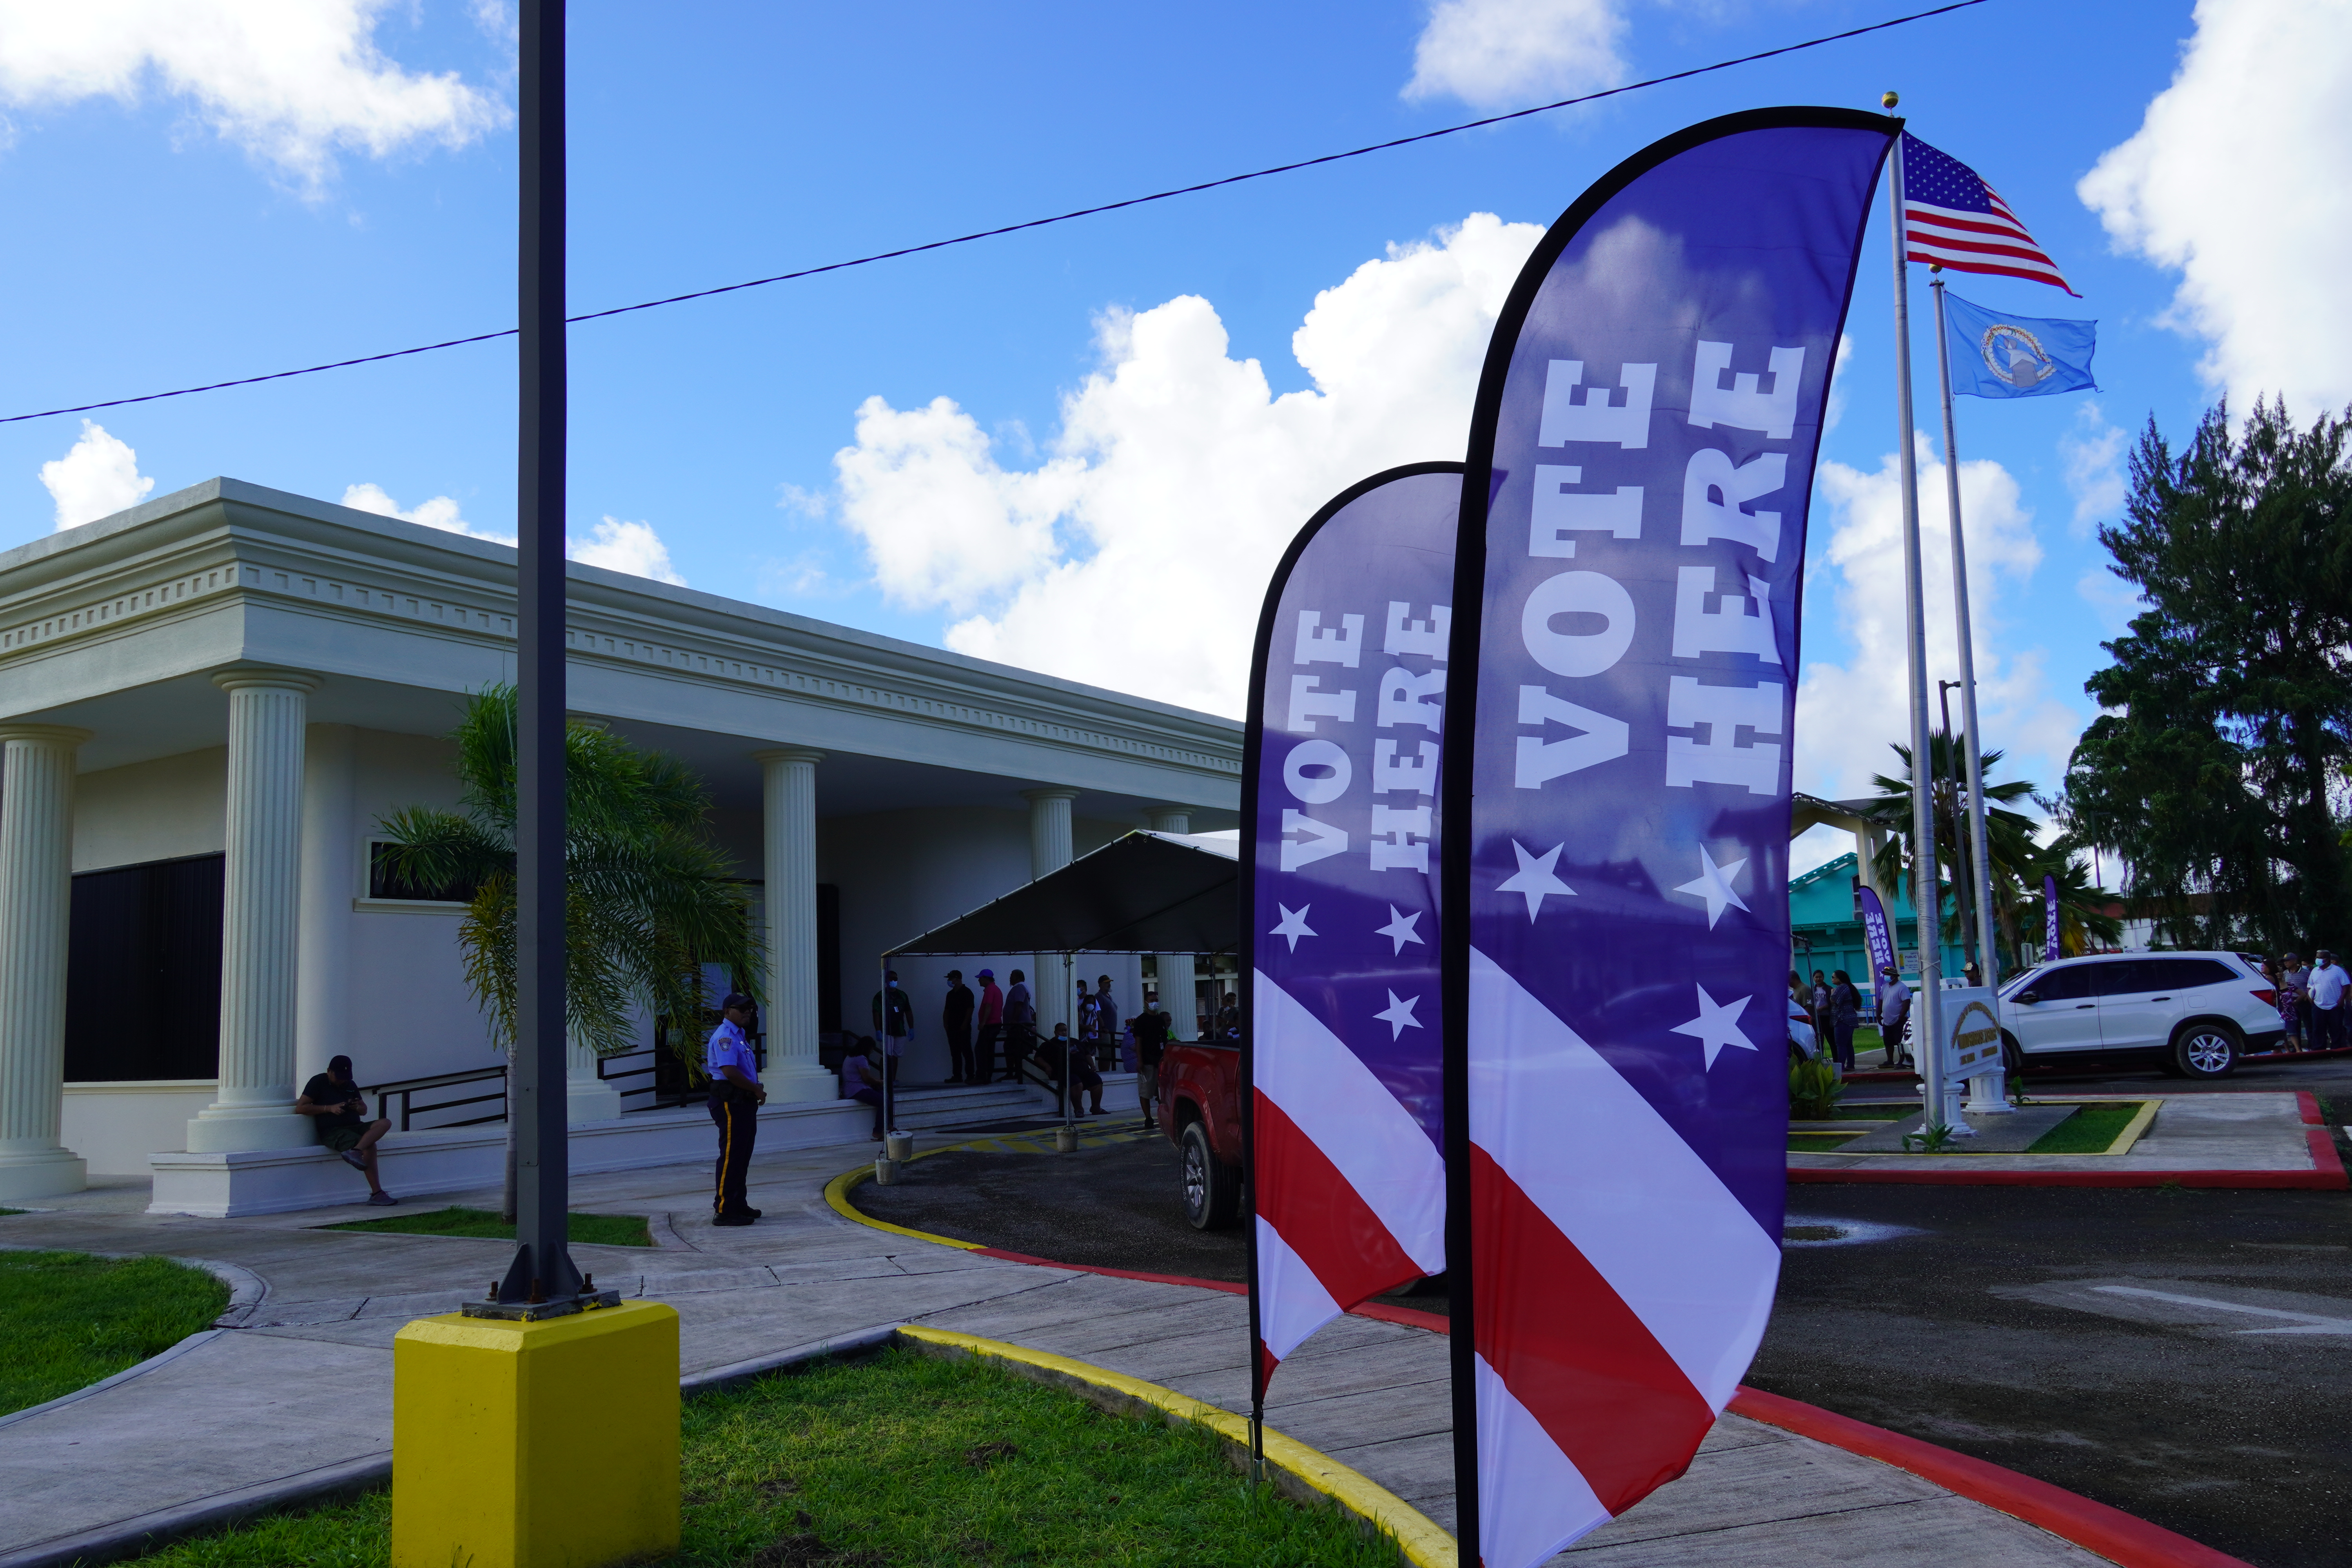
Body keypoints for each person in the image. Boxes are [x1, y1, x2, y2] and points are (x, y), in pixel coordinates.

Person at [297, 1055, 397, 1205]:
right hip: (333, 1131)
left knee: (385, 1123)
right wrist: (329, 1109)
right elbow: (301, 1107)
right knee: (370, 1147)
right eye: (338, 1077)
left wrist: (356, 1106)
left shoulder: (350, 1085)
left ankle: (355, 1151)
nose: (342, 1081)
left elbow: (364, 1110)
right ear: (329, 1071)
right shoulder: (318, 1082)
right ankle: (377, 1193)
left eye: (345, 1078)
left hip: (355, 1126)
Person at [706, 992, 766, 1226]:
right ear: (727, 1012)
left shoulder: (739, 1036)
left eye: (750, 1008)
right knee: (732, 1156)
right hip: (731, 1101)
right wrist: (756, 1089)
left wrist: (754, 1090)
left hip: (743, 1100)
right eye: (742, 1008)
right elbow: (730, 1072)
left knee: (742, 1155)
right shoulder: (726, 1037)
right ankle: (724, 1210)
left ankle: (738, 1203)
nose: (748, 1012)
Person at [869, 970, 909, 1125]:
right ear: (885, 980)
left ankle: (893, 1078)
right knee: (886, 1055)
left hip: (900, 1030)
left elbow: (908, 1011)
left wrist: (912, 1027)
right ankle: (884, 1078)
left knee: (896, 1055)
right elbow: (876, 1014)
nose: (894, 981)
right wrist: (878, 1030)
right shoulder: (879, 996)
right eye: (891, 979)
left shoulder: (902, 995)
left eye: (896, 979)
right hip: (886, 1030)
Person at [1047, 1021, 1105, 1116]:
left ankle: (1096, 1108)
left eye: (1066, 1030)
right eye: (1062, 1031)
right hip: (1067, 1072)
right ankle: (1079, 1110)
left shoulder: (1076, 1042)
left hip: (1084, 1071)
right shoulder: (1050, 1044)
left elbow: (1087, 1054)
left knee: (1097, 1081)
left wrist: (1093, 1065)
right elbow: (1038, 1057)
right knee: (1077, 1083)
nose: (1064, 1033)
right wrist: (1047, 1067)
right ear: (1056, 1032)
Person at [1133, 1001, 1170, 1131]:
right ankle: (1148, 1118)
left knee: (1162, 1092)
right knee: (1146, 1091)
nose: (1155, 1003)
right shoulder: (1141, 1021)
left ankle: (1166, 1116)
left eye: (1157, 999)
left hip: (1160, 1061)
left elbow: (1164, 1040)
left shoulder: (1160, 1020)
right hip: (1148, 1061)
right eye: (1152, 1000)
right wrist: (1140, 1061)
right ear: (1147, 1003)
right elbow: (1138, 1042)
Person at [842, 1038, 886, 1140]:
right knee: (884, 1102)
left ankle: (888, 1125)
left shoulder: (849, 1057)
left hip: (849, 1089)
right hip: (858, 1089)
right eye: (872, 1050)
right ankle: (878, 1132)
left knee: (884, 1096)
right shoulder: (861, 1059)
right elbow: (866, 1079)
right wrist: (879, 1081)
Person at [2306, 950, 2347, 1053]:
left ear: (2327, 959)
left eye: (2320, 958)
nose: (2318, 960)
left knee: (2336, 1029)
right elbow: (2310, 985)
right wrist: (2310, 997)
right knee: (2318, 1029)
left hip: (2335, 1005)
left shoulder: (2338, 971)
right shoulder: (2315, 971)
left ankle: (2337, 1049)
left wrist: (2341, 1000)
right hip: (2318, 1004)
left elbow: (2346, 986)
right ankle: (2319, 1049)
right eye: (2317, 957)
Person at [942, 970, 976, 1083]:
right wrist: (946, 1024)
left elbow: (970, 1009)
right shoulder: (950, 994)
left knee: (966, 1051)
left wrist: (965, 1024)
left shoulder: (967, 993)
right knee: (955, 1052)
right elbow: (947, 1010)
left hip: (963, 1027)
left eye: (951, 979)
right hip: (952, 1027)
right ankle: (957, 1076)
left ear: (958, 979)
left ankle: (971, 1075)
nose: (949, 981)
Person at [1002, 967, 1036, 1082]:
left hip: (1018, 1026)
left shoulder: (1019, 988)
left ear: (1017, 977)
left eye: (1012, 975)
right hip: (1017, 1025)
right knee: (1013, 1048)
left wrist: (1014, 1020)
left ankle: (1014, 1073)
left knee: (1012, 1048)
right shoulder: (1021, 988)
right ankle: (1014, 1072)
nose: (1010, 978)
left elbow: (1019, 1004)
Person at [1878, 965, 1913, 1069]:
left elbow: (1906, 1002)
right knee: (1888, 1041)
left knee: (1900, 1042)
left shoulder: (1902, 987)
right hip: (1887, 1020)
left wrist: (1902, 1016)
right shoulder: (1885, 987)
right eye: (1885, 974)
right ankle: (1890, 1060)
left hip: (1898, 1019)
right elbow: (1881, 1001)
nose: (1886, 976)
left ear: (1894, 976)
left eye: (1888, 975)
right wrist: (1878, 1014)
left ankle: (1902, 1061)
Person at [975, 968, 1005, 1083]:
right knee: (988, 1051)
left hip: (990, 1025)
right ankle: (987, 1076)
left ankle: (982, 1077)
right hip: (995, 1024)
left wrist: (983, 1022)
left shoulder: (990, 989)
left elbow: (988, 1006)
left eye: (981, 979)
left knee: (981, 1050)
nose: (979, 981)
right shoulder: (995, 989)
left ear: (986, 978)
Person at [1829, 970, 1862, 1072]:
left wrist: (1832, 992)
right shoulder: (1848, 987)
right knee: (1848, 1044)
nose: (1832, 979)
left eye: (1833, 977)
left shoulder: (1842, 987)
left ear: (1840, 978)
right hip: (1850, 1020)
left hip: (1843, 1020)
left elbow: (1833, 999)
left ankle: (1841, 1066)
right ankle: (1851, 1065)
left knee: (1840, 1044)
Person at [2278, 953, 2309, 1053]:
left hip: (2303, 1001)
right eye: (2285, 961)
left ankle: (2311, 1045)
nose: (2286, 963)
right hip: (2290, 1004)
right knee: (2295, 1027)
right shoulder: (2285, 974)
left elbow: (2310, 986)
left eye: (2288, 961)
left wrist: (2302, 998)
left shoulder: (2306, 973)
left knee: (2308, 1025)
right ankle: (2297, 1047)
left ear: (2295, 961)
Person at [1093, 975, 1120, 1071]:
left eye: (1109, 982)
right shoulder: (1099, 997)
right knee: (1105, 1055)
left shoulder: (1108, 996)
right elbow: (1097, 1014)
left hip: (1111, 1033)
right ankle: (1104, 1074)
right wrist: (1102, 1028)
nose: (1109, 985)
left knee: (1109, 1055)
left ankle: (1107, 1072)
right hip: (1104, 1032)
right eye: (1106, 983)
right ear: (1100, 985)